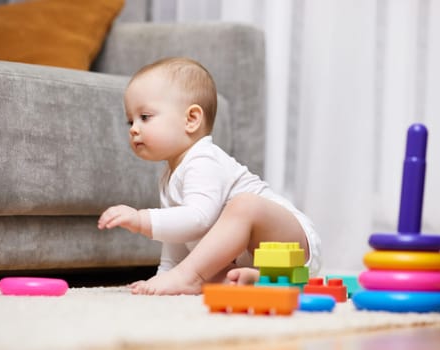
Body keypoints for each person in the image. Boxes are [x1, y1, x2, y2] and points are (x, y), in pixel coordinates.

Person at [97, 57, 322, 295]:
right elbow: (177, 237)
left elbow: (198, 219)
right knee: (211, 272)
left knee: (244, 205)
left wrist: (142, 220)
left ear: (191, 119)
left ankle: (190, 277)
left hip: (291, 242)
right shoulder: (169, 175)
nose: (134, 128)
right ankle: (257, 280)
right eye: (130, 120)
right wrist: (165, 275)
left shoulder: (203, 160)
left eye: (145, 117)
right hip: (251, 261)